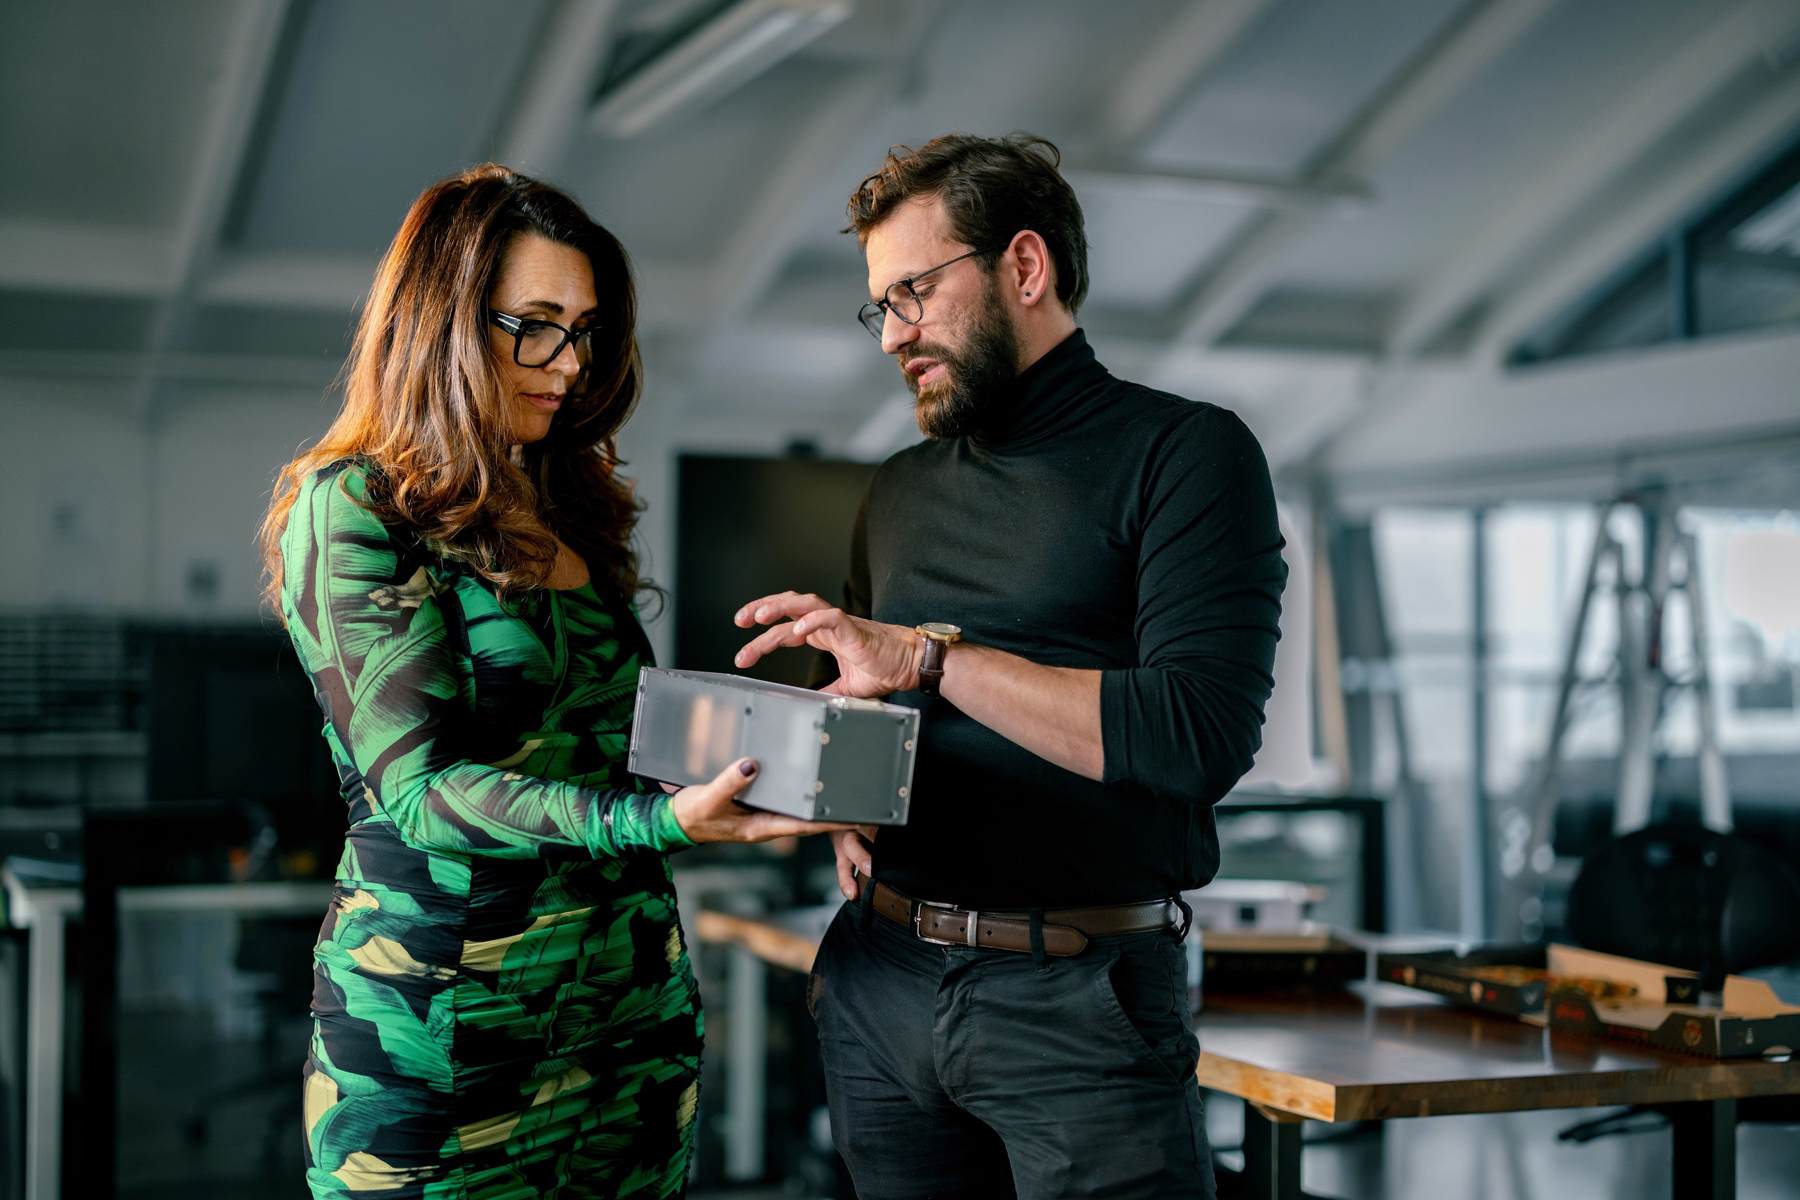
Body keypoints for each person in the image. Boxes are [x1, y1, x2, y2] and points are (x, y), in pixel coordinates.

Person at [260, 164, 848, 1200]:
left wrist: (795, 763)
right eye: (533, 324)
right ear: (441, 320)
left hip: (630, 1022)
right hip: (445, 1028)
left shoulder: (567, 507)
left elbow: (611, 739)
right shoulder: (351, 505)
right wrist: (658, 826)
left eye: (580, 330)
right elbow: (420, 789)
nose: (566, 363)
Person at [732, 134, 1287, 1200]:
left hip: (1080, 1006)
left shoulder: (1188, 456)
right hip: (879, 983)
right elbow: (875, 694)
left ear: (1023, 268)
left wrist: (930, 658)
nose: (893, 335)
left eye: (914, 294)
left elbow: (1195, 734)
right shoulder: (896, 488)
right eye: (878, 306)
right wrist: (831, 775)